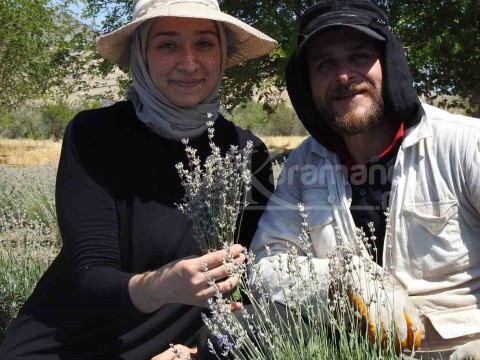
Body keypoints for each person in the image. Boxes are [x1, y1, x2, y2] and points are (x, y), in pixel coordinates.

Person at [249, 1, 480, 359]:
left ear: (389, 62)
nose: (344, 75)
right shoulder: (304, 165)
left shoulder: (467, 145)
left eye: (359, 56)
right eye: (324, 64)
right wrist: (340, 278)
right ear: (307, 84)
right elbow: (267, 264)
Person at [0, 0, 277, 359]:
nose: (189, 62)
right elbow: (90, 274)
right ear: (139, 54)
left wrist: (197, 351)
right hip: (71, 344)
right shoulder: (95, 135)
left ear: (223, 52)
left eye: (205, 43)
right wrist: (163, 284)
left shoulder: (247, 152)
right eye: (167, 44)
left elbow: (256, 276)